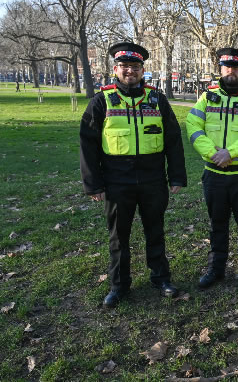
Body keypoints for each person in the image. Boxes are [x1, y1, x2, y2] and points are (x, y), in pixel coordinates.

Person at [79, 42, 187, 308]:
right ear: (116, 69)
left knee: (155, 231)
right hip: (117, 181)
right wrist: (93, 184)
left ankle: (161, 278)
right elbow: (87, 143)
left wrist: (176, 177)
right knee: (118, 237)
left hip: (153, 180)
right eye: (125, 67)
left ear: (142, 70)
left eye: (135, 67)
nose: (130, 71)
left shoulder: (157, 99)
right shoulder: (101, 100)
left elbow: (173, 139)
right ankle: (119, 285)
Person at [186, 48, 238, 293]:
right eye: (226, 67)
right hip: (214, 175)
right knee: (217, 225)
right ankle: (216, 269)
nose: (231, 71)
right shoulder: (206, 97)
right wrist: (213, 153)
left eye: (236, 67)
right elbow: (193, 126)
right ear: (220, 69)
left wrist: (230, 153)